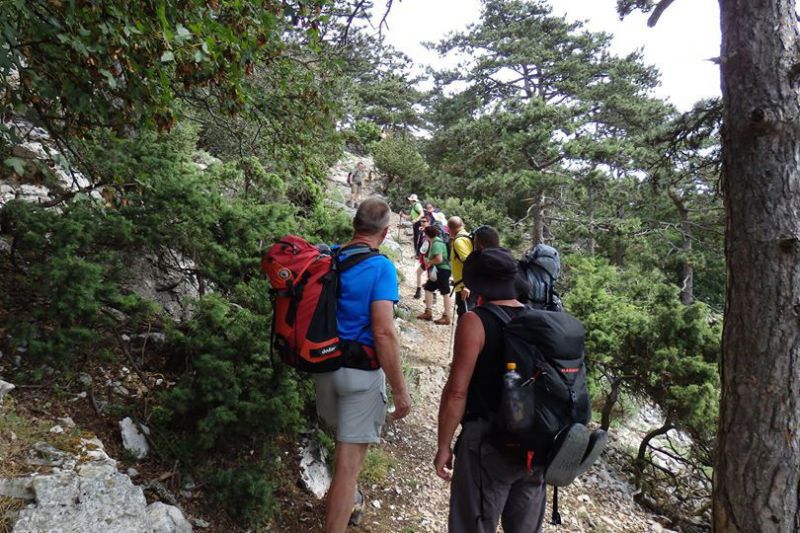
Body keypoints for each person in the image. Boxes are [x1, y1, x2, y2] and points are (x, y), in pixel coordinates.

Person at [315, 197, 411, 532]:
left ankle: (349, 502)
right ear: (384, 233)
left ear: (355, 224)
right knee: (348, 469)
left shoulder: (331, 257)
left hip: (324, 369)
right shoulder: (381, 267)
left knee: (343, 452)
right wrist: (400, 390)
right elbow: (383, 331)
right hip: (360, 375)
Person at [434, 248, 546, 533]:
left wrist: (444, 446)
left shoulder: (475, 321)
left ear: (479, 285)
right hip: (533, 445)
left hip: (487, 443)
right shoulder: (537, 320)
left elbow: (457, 392)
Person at [417, 225, 452, 325]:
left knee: (445, 292)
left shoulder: (436, 244)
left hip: (441, 270)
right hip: (440, 270)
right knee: (428, 288)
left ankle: (446, 316)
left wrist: (429, 261)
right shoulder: (438, 241)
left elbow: (439, 259)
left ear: (427, 235)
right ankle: (428, 312)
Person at [448, 216, 475, 319]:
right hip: (464, 285)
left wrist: (467, 286)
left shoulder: (459, 241)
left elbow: (470, 263)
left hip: (465, 287)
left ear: (451, 229)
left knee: (465, 317)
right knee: (464, 314)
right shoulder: (467, 237)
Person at [413, 216, 430, 299]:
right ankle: (418, 292)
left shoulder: (430, 232)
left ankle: (431, 296)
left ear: (428, 222)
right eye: (421, 221)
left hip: (429, 258)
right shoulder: (423, 231)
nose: (422, 223)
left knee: (430, 276)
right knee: (419, 273)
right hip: (425, 257)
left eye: (424, 221)